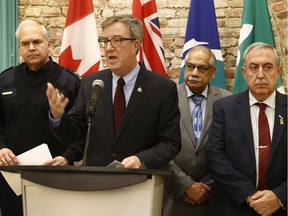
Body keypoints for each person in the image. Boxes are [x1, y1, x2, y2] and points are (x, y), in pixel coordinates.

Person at [45, 14, 181, 169]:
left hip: (140, 183)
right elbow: (78, 136)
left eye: (117, 40)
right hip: (97, 181)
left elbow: (170, 143)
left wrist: (140, 159)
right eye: (104, 41)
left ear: (135, 45)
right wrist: (59, 117)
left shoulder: (162, 88)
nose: (108, 47)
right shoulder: (91, 84)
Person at [0, 19, 80, 216]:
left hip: (55, 177)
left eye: (37, 42)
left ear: (49, 44)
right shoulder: (5, 79)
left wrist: (68, 157)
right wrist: (0, 147)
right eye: (25, 44)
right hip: (12, 176)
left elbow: (84, 131)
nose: (31, 48)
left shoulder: (69, 81)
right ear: (19, 47)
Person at [206, 42, 287, 216]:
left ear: (278, 71)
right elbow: (215, 156)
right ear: (244, 73)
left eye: (267, 67)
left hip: (281, 208)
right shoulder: (224, 108)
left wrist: (280, 196)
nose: (260, 75)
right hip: (233, 206)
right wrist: (248, 194)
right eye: (253, 67)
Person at [163, 46, 231, 216]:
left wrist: (208, 185)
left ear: (213, 73)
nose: (194, 73)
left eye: (202, 68)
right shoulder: (166, 97)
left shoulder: (228, 101)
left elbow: (233, 149)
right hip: (172, 195)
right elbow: (158, 145)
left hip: (214, 196)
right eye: (190, 66)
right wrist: (185, 184)